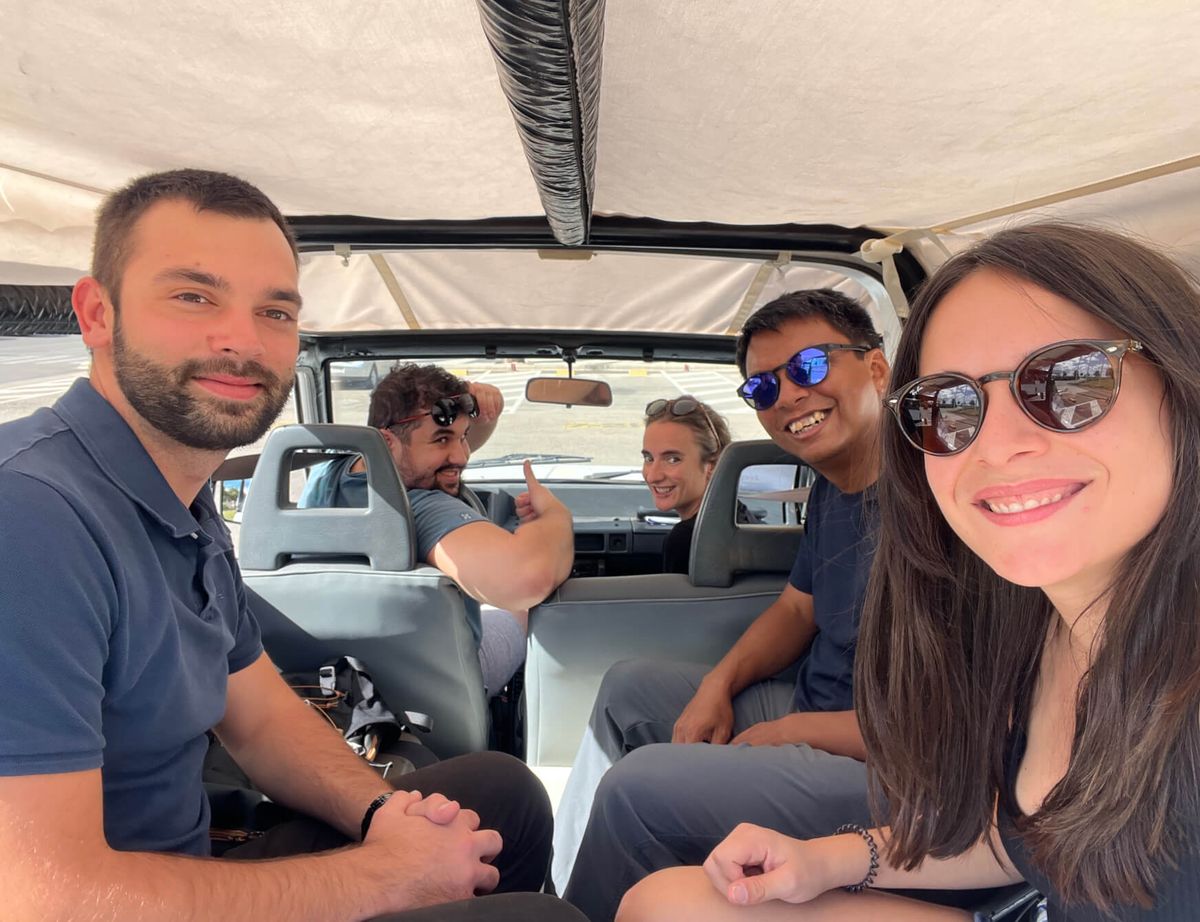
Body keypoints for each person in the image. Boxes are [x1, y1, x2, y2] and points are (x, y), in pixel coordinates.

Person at [0, 168, 584, 922]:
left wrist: (384, 818)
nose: (242, 340)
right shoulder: (32, 517)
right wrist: (384, 877)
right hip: (107, 902)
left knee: (506, 799)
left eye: (275, 311)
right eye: (193, 296)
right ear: (96, 313)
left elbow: (262, 717)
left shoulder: (183, 504)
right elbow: (43, 896)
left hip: (192, 859)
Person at [617, 223, 1200, 922]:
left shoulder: (977, 558)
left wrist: (799, 730)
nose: (1000, 446)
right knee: (658, 887)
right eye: (951, 405)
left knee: (643, 795)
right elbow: (1027, 835)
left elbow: (927, 734)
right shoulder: (1041, 625)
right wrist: (831, 857)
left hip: (891, 760)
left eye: (1068, 379)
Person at [553, 290, 890, 920]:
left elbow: (944, 735)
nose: (787, 395)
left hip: (900, 773)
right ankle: (565, 885)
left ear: (876, 368)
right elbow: (796, 611)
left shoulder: (942, 502)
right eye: (762, 388)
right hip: (821, 712)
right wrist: (718, 682)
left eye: (810, 367)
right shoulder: (834, 489)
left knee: (638, 788)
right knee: (628, 687)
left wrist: (790, 734)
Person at [299, 363, 576, 696]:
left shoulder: (332, 472)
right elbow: (527, 581)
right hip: (442, 691)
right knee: (526, 608)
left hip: (334, 685)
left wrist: (478, 419)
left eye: (462, 437)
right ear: (387, 443)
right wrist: (556, 518)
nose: (461, 455)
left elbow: (439, 451)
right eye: (442, 439)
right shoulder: (419, 505)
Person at [642, 395, 739, 574]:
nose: (652, 476)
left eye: (672, 459)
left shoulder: (688, 539)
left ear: (713, 465)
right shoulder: (741, 521)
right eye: (648, 458)